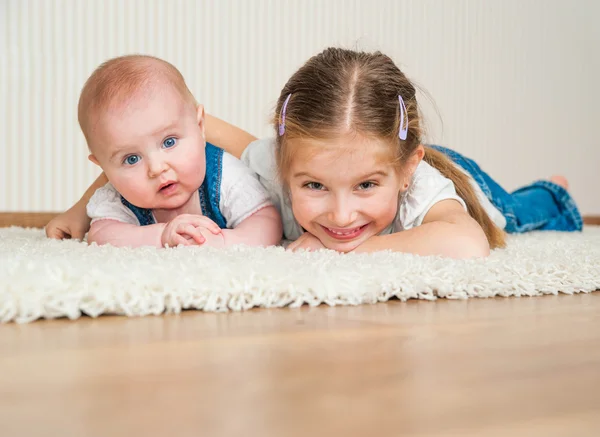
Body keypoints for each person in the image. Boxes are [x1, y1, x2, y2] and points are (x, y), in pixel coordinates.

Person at [68, 54, 282, 248]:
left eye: (169, 142)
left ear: (200, 127)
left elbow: (266, 220)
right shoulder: (117, 197)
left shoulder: (226, 175)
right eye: (132, 159)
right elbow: (102, 235)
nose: (156, 168)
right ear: (103, 166)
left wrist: (225, 242)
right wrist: (161, 236)